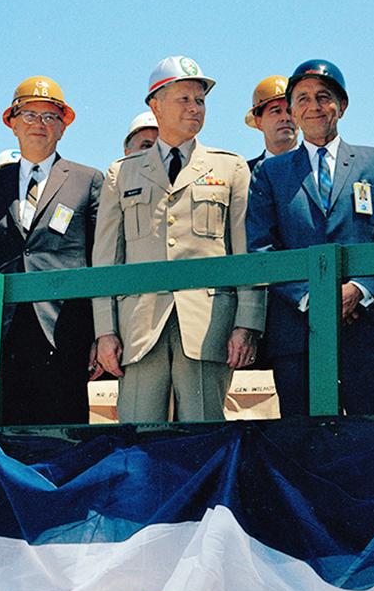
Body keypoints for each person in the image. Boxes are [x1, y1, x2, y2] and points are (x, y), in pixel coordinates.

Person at [92, 56, 264, 422]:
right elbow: (106, 261)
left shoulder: (230, 168)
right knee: (137, 436)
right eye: (183, 99)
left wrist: (247, 323)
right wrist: (105, 332)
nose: (194, 108)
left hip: (207, 328)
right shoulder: (122, 174)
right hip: (139, 329)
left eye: (199, 100)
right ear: (155, 105)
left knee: (204, 437)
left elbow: (246, 252)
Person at [247, 60, 374, 416]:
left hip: (373, 331)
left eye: (324, 97)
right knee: (307, 450)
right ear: (292, 109)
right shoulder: (269, 174)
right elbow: (262, 247)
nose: (313, 106)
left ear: (342, 106)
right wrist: (313, 298)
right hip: (299, 333)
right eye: (302, 98)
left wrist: (358, 290)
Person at [0, 77, 103, 425]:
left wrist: (98, 333)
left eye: (51, 117)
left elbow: (99, 260)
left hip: (64, 332)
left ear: (64, 127)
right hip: (0, 334)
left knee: (65, 440)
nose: (40, 124)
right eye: (31, 115)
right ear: (13, 123)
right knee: (2, 437)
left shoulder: (88, 180)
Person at [245, 75, 297, 169]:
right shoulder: (246, 173)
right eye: (276, 111)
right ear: (259, 122)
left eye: (290, 111)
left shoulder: (316, 165)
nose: (286, 118)